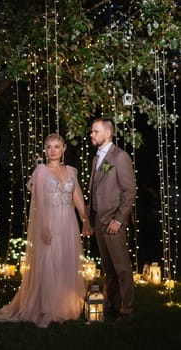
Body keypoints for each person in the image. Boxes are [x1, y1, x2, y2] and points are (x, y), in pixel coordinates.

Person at [0, 133, 92, 327]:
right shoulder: (41, 171)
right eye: (49, 147)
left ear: (63, 149)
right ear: (45, 150)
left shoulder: (71, 171)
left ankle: (63, 307)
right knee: (48, 264)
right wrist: (44, 226)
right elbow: (38, 202)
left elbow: (78, 198)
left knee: (65, 262)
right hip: (49, 222)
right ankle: (45, 309)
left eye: (56, 146)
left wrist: (85, 220)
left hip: (68, 223)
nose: (52, 150)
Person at [88, 118, 136, 323]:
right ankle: (110, 304)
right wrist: (90, 220)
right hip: (99, 220)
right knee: (108, 267)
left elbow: (130, 191)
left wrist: (118, 219)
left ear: (108, 134)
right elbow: (95, 189)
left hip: (113, 221)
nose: (91, 134)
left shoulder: (120, 157)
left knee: (122, 267)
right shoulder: (96, 158)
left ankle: (128, 310)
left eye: (95, 131)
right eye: (92, 131)